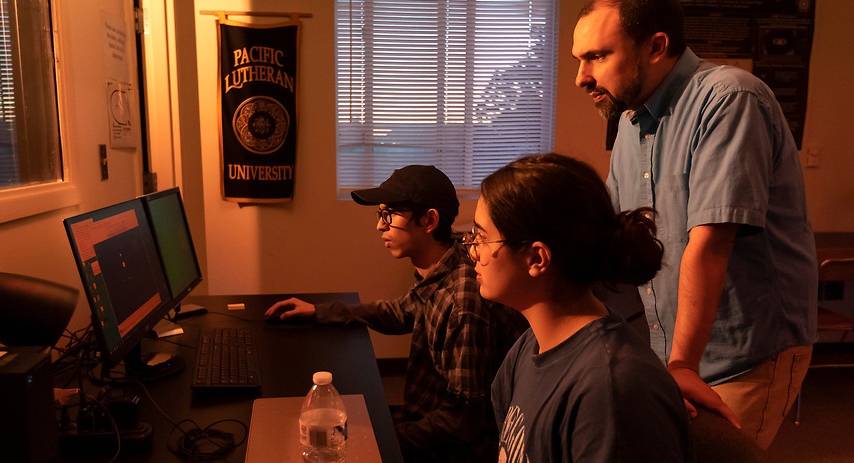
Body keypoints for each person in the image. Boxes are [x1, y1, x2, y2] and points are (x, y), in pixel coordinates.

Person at [572, 0, 817, 449]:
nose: (581, 77)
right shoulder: (630, 122)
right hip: (675, 351)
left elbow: (709, 244)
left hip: (745, 351)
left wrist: (682, 364)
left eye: (597, 56)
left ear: (656, 46)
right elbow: (612, 229)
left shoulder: (729, 98)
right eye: (579, 60)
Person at [265, 165, 527, 463]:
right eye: (380, 214)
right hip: (422, 420)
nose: (380, 226)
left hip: (449, 451)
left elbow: (463, 422)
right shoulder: (442, 272)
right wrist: (320, 311)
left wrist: (385, 438)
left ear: (429, 220)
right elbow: (400, 312)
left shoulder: (461, 303)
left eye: (389, 215)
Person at [473, 153, 693, 462]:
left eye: (482, 238)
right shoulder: (530, 347)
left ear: (537, 259)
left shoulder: (610, 391)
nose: (472, 252)